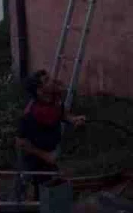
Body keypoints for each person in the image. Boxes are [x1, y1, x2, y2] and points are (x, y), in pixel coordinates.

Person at [15, 70, 85, 199]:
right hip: (33, 159)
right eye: (46, 80)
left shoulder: (54, 100)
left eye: (49, 78)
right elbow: (21, 143)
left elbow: (62, 114)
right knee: (38, 194)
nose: (52, 80)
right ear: (39, 91)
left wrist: (73, 119)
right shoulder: (30, 114)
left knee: (53, 188)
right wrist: (45, 155)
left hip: (50, 155)